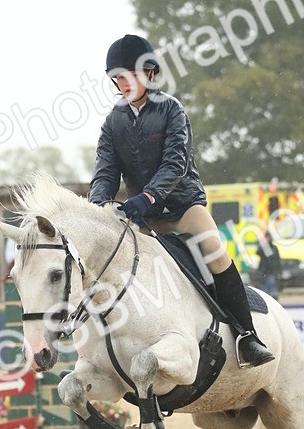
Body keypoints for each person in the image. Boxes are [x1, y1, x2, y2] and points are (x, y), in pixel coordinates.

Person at [88, 34, 274, 367]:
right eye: (117, 77)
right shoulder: (113, 122)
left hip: (183, 207)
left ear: (149, 73)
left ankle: (247, 337)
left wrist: (147, 196)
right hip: (142, 217)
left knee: (215, 253)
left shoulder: (172, 109)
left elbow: (175, 163)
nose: (122, 82)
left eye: (129, 75)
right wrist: (98, 205)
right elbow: (105, 171)